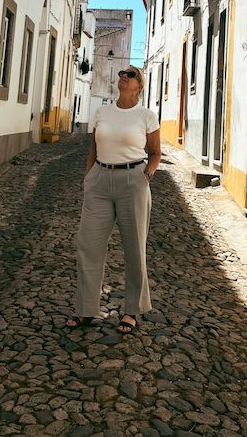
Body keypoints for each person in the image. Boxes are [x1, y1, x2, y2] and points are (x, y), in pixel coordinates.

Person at [67, 65, 161, 334]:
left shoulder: (146, 116)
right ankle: (86, 309)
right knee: (88, 245)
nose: (124, 76)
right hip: (99, 180)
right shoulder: (102, 112)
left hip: (133, 181)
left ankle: (131, 311)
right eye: (122, 73)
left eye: (130, 75)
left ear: (138, 86)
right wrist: (88, 178)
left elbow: (155, 153)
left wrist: (146, 176)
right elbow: (93, 149)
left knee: (134, 249)